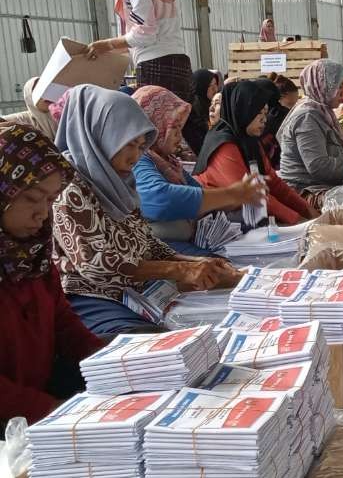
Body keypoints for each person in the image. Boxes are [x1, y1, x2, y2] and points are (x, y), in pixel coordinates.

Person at [52, 86, 237, 336]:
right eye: (128, 144)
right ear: (100, 135)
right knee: (151, 342)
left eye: (141, 147)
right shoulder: (68, 186)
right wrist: (178, 270)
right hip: (91, 296)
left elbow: (146, 241)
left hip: (136, 290)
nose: (135, 156)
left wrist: (193, 262)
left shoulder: (120, 182)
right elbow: (94, 264)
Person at [0, 124, 103, 424]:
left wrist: (116, 367)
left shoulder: (33, 253)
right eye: (32, 198)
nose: (43, 214)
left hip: (40, 399)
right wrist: (58, 412)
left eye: (50, 200)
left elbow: (65, 326)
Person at [73, 0, 201, 152]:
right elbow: (152, 28)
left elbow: (145, 33)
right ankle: (216, 174)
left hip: (157, 66)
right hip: (176, 61)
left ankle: (166, 182)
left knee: (155, 139)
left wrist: (107, 45)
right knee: (189, 129)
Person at [132, 86, 263, 254]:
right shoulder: (138, 159)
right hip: (161, 248)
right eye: (174, 128)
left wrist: (235, 199)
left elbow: (197, 191)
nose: (180, 136)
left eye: (181, 128)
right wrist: (231, 194)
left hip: (187, 238)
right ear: (154, 126)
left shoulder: (168, 162)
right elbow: (160, 199)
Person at [194, 81, 314, 227]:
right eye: (258, 113)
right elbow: (251, 194)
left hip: (248, 213)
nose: (264, 119)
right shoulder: (224, 145)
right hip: (218, 221)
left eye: (265, 112)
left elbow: (273, 182)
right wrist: (298, 221)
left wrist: (308, 211)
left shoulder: (250, 140)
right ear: (243, 111)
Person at [277, 59, 343, 207]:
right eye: (339, 86)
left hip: (320, 186)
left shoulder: (323, 112)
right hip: (305, 191)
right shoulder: (307, 116)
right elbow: (319, 166)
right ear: (323, 86)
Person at [188, 69, 220, 155]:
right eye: (210, 86)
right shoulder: (192, 113)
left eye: (216, 84)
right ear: (201, 87)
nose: (215, 89)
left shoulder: (214, 104)